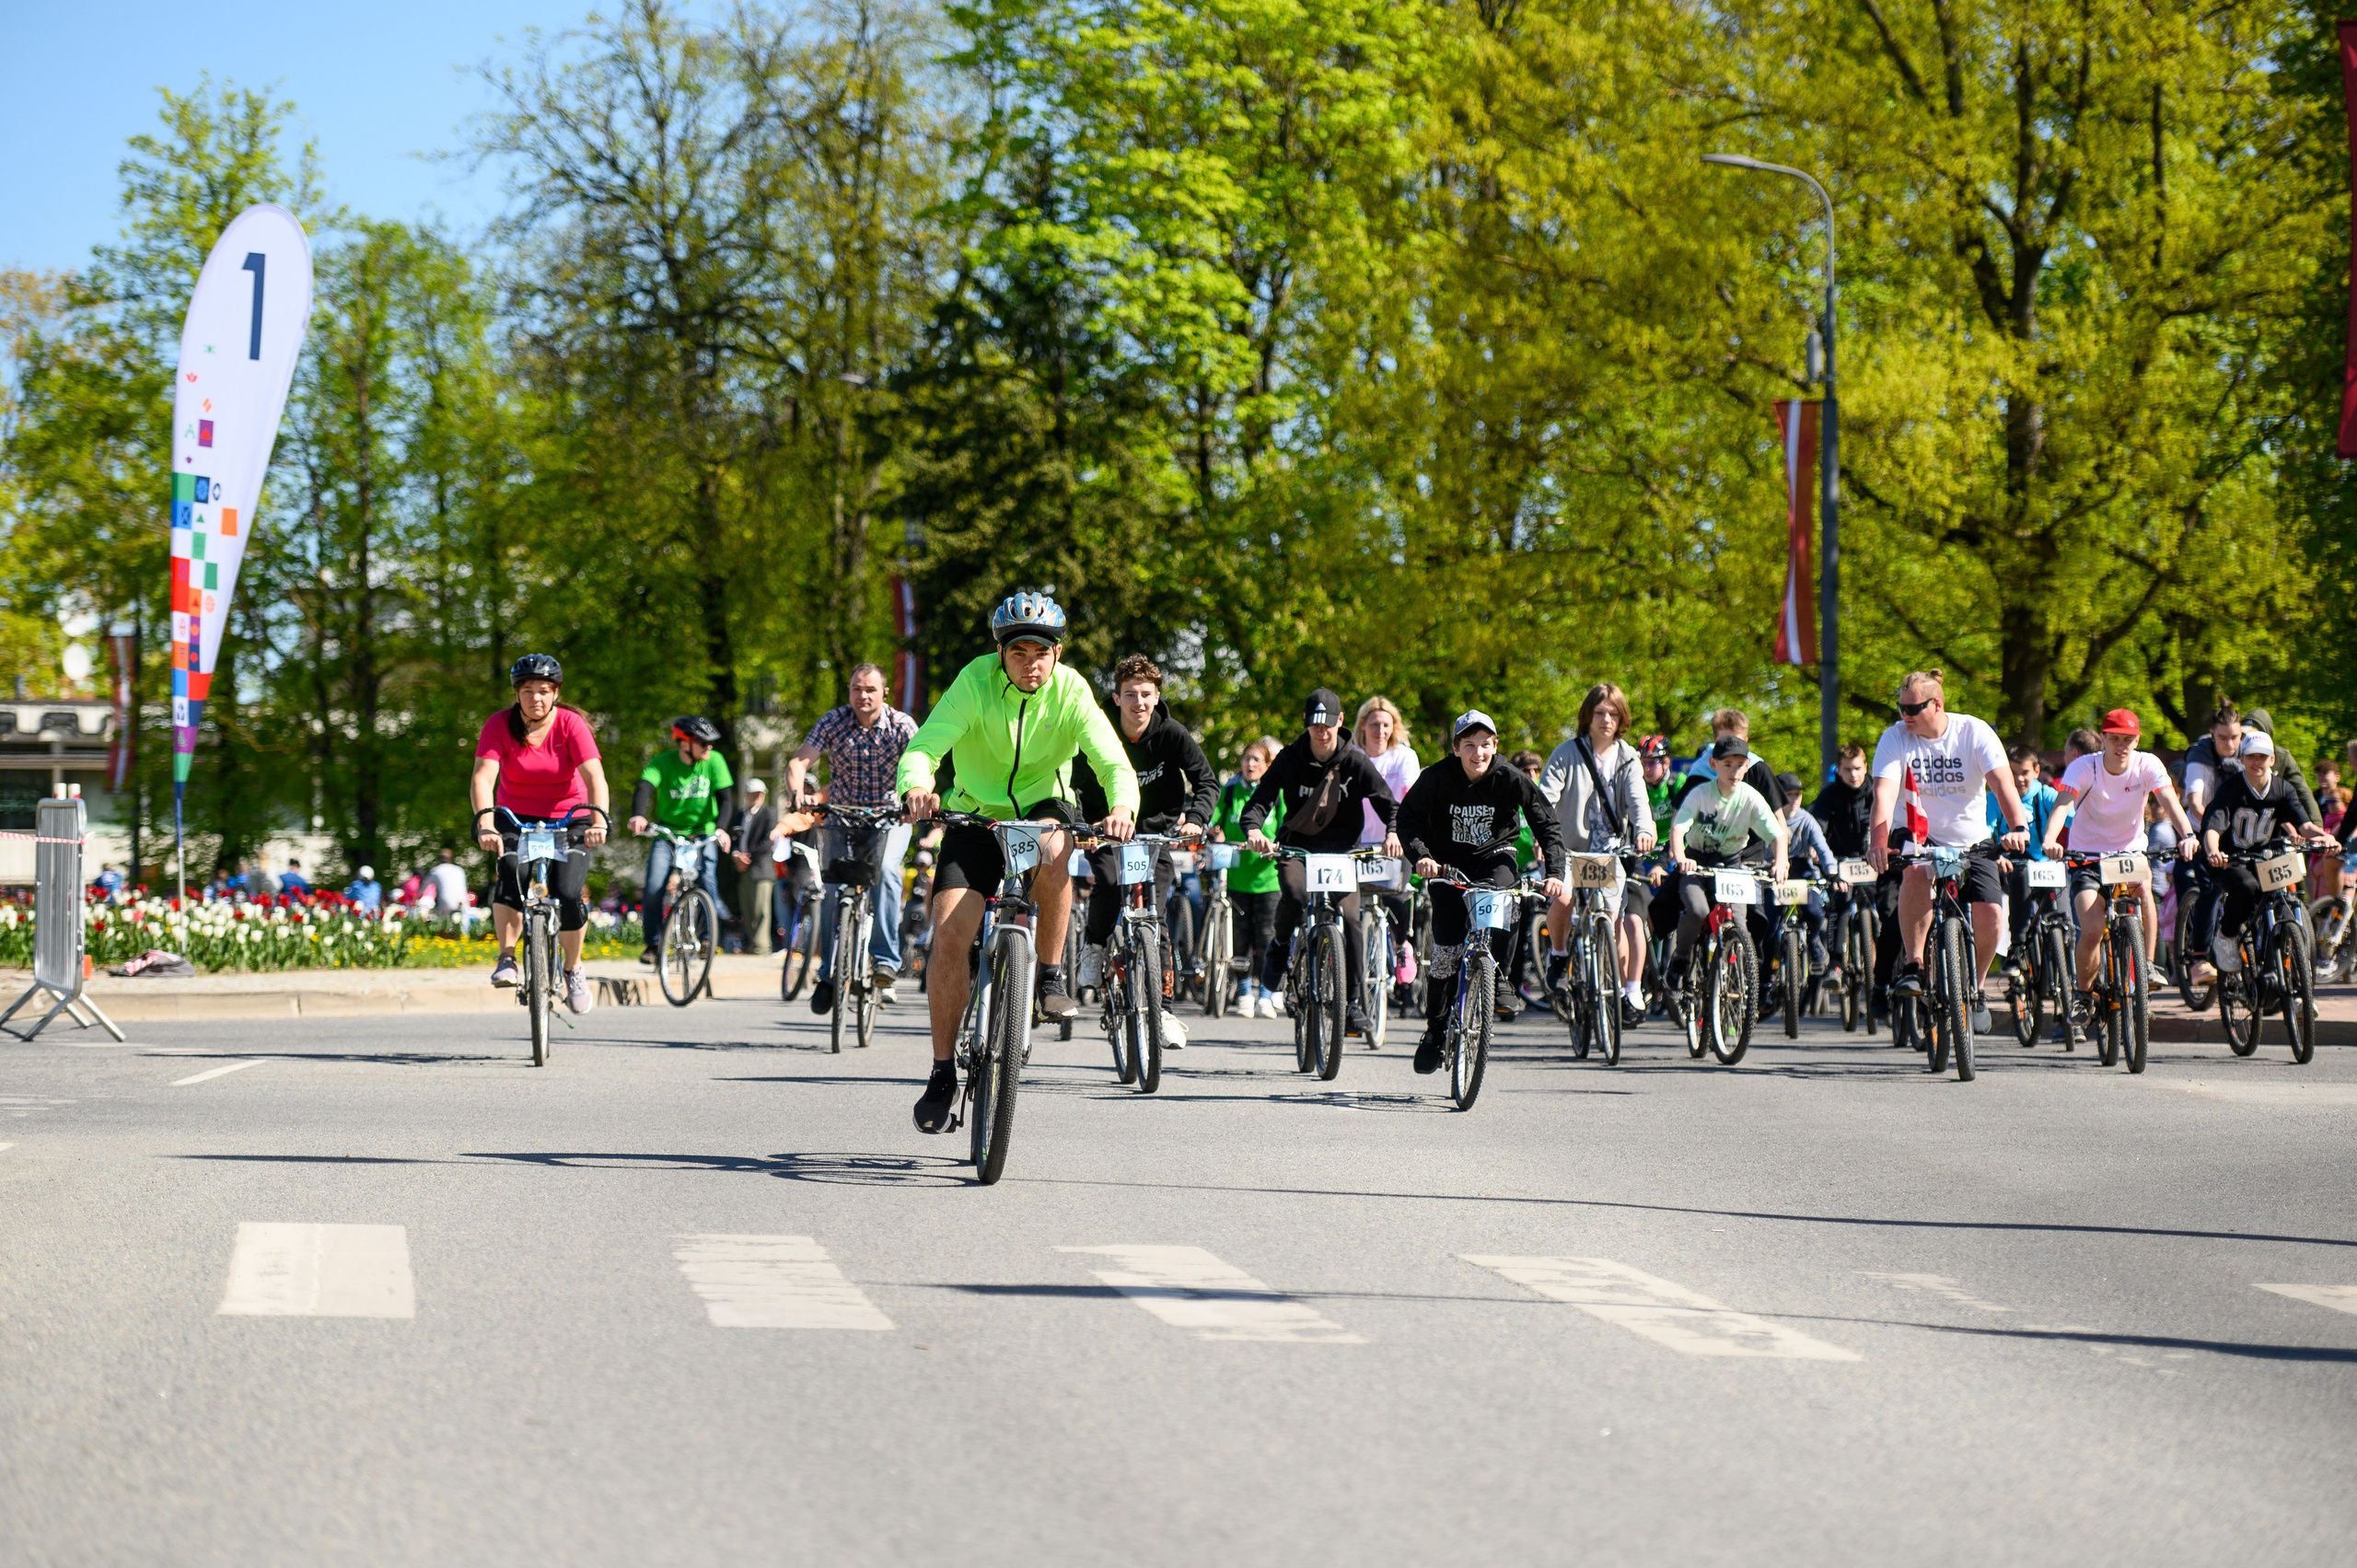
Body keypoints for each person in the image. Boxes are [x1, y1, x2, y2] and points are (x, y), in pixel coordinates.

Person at [897, 591, 1137, 1133]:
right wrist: (917, 785)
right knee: (950, 937)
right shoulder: (974, 683)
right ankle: (941, 1072)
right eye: (1020, 652)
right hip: (976, 816)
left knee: (1056, 846)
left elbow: (1111, 760)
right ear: (1000, 652)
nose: (1032, 663)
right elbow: (925, 747)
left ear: (1057, 654)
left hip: (1041, 809)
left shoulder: (1071, 691)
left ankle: (1050, 974)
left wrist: (1122, 806)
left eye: (1042, 652)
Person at [1397, 710, 1566, 1073]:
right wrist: (1422, 857)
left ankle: (1502, 978)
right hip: (1446, 865)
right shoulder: (1436, 778)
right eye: (1469, 745)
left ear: (1495, 746)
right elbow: (1407, 820)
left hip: (1494, 857)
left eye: (1485, 745)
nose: (1478, 754)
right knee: (1444, 954)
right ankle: (1435, 1029)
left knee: (1507, 896)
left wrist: (1556, 872)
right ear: (1456, 748)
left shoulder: (1510, 777)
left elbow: (1546, 823)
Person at [1865, 669, 2029, 1030]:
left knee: (1991, 912)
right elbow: (1884, 794)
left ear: (1937, 704)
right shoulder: (1895, 738)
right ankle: (1914, 966)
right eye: (1901, 708)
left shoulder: (1974, 731)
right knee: (1913, 872)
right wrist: (1878, 841)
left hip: (1970, 838)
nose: (1905, 715)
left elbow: (2003, 785)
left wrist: (2018, 827)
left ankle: (1978, 988)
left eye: (1914, 708)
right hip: (1918, 834)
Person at [1241, 687, 1403, 1041]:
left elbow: (1389, 805)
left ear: (1340, 722)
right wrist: (1254, 830)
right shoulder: (1288, 758)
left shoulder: (1355, 762)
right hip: (1298, 849)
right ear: (1307, 724)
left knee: (1351, 920)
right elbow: (1257, 803)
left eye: (1328, 725)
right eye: (1316, 725)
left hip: (1342, 853)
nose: (1322, 732)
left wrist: (1393, 833)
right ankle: (1281, 947)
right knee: (1296, 896)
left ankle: (1353, 1003)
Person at [1073, 655, 1218, 1048]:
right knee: (1107, 881)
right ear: (1117, 698)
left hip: (1155, 834)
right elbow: (1075, 782)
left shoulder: (1172, 734)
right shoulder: (1097, 731)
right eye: (1130, 694)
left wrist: (1195, 818)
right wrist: (1084, 825)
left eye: (1147, 695)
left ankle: (1164, 1008)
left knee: (1155, 912)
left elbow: (1207, 782)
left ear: (1156, 697)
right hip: (1106, 830)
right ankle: (1095, 946)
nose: (1139, 702)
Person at [469, 654, 612, 1012]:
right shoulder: (499, 725)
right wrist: (486, 824)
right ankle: (507, 958)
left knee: (567, 891)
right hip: (515, 815)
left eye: (544, 691)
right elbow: (483, 778)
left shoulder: (571, 725)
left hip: (571, 815)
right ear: (517, 694)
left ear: (556, 693)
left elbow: (595, 777)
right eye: (528, 691)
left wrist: (598, 820)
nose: (536, 698)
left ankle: (573, 968)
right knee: (512, 873)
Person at [2041, 709, 2196, 1026]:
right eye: (2114, 739)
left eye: (2128, 739)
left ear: (2137, 740)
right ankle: (2084, 995)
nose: (2121, 746)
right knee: (2093, 928)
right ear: (2104, 739)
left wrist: (2188, 835)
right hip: (2088, 856)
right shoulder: (2085, 767)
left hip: (2127, 853)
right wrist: (2050, 838)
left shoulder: (2147, 764)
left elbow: (2168, 799)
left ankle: (2148, 965)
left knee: (2145, 888)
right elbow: (2064, 803)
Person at [789, 663, 920, 1008]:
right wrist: (798, 792)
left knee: (887, 874)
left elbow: (923, 765)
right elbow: (799, 762)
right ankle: (829, 976)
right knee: (831, 891)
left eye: (870, 690)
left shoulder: (902, 726)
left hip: (890, 818)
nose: (862, 696)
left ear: (884, 693)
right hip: (842, 818)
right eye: (856, 689)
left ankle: (885, 962)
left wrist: (915, 798)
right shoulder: (834, 721)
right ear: (849, 691)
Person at [1538, 681, 1653, 1028]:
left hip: (1609, 852)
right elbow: (1545, 798)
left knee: (1613, 919)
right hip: (1568, 848)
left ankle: (1618, 991)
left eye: (1613, 714)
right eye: (1600, 713)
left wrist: (1645, 829)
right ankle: (1559, 957)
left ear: (1622, 719)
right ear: (1587, 716)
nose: (1606, 720)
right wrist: (1545, 839)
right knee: (1563, 898)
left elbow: (1638, 801)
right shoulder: (1566, 752)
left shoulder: (1628, 758)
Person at [2202, 731, 2331, 977]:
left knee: (2283, 898)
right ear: (2242, 758)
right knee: (2246, 887)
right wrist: (2213, 851)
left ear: (2272, 760)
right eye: (2251, 757)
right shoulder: (2231, 789)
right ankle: (2226, 936)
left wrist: (2323, 837)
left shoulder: (2283, 789)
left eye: (2263, 757)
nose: (2257, 762)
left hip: (2265, 857)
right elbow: (2212, 828)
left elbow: (2304, 825)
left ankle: (2290, 978)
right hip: (2230, 859)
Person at [1666, 735, 1790, 981]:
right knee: (1697, 909)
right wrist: (1681, 858)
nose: (1734, 771)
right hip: (1697, 862)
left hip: (1733, 864)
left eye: (1740, 764)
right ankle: (1681, 958)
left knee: (1741, 923)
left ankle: (1739, 980)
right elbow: (1678, 828)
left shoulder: (1751, 797)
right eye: (1727, 764)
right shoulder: (1700, 794)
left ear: (1747, 766)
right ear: (1713, 765)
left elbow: (1777, 833)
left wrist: (1781, 861)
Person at [629, 716, 734, 965]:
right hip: (669, 833)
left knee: (707, 877)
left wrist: (721, 830)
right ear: (685, 744)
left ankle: (707, 938)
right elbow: (644, 786)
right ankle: (653, 944)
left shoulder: (715, 761)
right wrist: (638, 815)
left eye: (711, 744)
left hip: (703, 832)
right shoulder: (662, 762)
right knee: (654, 885)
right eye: (704, 743)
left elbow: (726, 799)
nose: (710, 748)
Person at [1212, 737, 1286, 1016]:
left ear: (1267, 766)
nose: (1250, 763)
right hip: (1237, 877)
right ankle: (1244, 993)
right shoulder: (1230, 791)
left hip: (1268, 879)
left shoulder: (1275, 794)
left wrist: (1277, 843)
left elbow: (1285, 825)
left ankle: (1266, 994)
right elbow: (1214, 816)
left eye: (1257, 759)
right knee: (1239, 940)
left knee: (1267, 938)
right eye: (1246, 758)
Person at [1992, 746, 2059, 972]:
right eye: (2012, 773)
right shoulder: (1994, 797)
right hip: (2012, 864)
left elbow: (2072, 819)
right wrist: (1997, 856)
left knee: (2060, 905)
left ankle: (2062, 944)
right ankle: (2018, 946)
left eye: (2025, 773)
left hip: (2046, 865)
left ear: (2036, 771)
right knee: (2019, 876)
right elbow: (1986, 830)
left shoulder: (2046, 794)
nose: (2019, 779)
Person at [1776, 770, 1839, 977]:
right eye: (1788, 794)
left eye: (1797, 794)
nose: (1794, 799)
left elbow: (1822, 848)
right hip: (1774, 872)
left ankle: (1813, 940)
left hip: (1802, 870)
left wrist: (1832, 872)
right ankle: (1766, 976)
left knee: (1814, 911)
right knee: (1768, 923)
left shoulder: (1807, 819)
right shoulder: (1767, 817)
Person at [1674, 708, 1787, 814]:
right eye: (1725, 741)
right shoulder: (1701, 770)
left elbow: (1778, 816)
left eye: (1737, 741)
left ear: (1746, 741)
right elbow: (1679, 815)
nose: (1731, 748)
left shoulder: (1757, 768)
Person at [731, 780, 781, 958]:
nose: (756, 797)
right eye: (753, 793)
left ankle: (762, 947)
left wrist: (747, 857)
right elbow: (733, 840)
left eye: (759, 793)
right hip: (742, 870)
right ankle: (752, 945)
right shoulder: (739, 816)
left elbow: (768, 841)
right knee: (747, 910)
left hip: (761, 869)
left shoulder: (769, 813)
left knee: (761, 910)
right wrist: (736, 856)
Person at [426, 847, 473, 933]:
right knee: (463, 925)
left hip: (445, 902)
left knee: (444, 926)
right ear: (451, 859)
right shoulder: (459, 870)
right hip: (462, 900)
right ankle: (465, 936)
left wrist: (417, 897)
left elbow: (424, 886)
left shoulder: (436, 871)